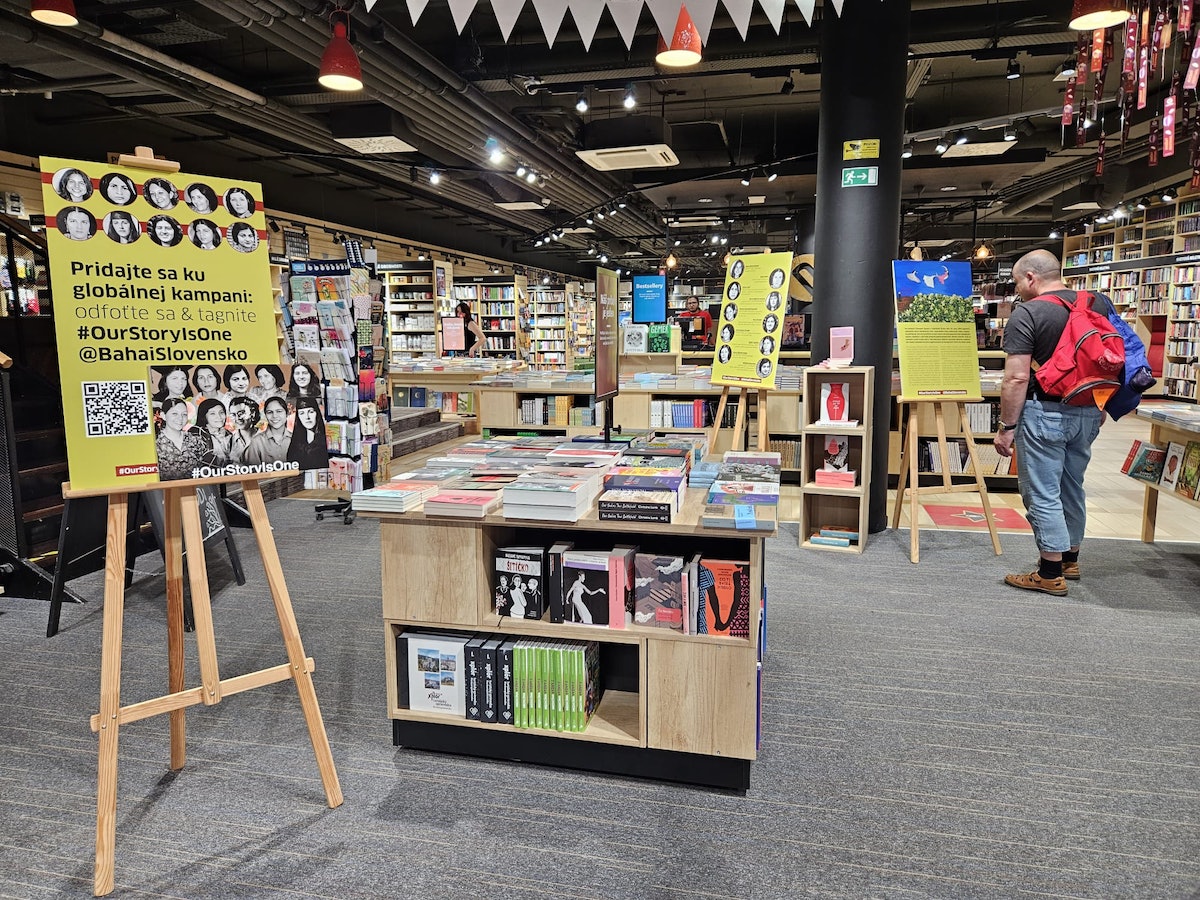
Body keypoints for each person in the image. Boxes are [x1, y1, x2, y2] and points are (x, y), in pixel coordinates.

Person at [994, 248, 1114, 597]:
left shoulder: (1028, 313)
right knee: (1072, 484)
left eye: (1017, 281)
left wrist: (1007, 426)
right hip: (1089, 408)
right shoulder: (1098, 303)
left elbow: (1016, 378)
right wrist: (1102, 403)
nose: (1017, 289)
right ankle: (1070, 559)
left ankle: (1049, 572)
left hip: (1044, 411)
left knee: (1042, 492)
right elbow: (1111, 357)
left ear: (1030, 278)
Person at [155, 397, 209, 480]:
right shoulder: (155, 443)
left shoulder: (195, 440)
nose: (180, 418)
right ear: (163, 415)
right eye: (174, 414)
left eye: (184, 414)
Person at [244, 396, 291, 466]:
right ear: (265, 415)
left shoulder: (295, 439)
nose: (274, 416)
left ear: (287, 413)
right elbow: (253, 473)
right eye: (270, 412)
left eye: (279, 411)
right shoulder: (257, 441)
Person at [287, 396, 328, 470]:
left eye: (311, 412)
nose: (307, 417)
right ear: (298, 417)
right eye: (302, 413)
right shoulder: (295, 442)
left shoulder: (326, 440)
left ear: (317, 413)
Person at [194, 397, 233, 465]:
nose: (219, 417)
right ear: (204, 416)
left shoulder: (228, 434)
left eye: (221, 412)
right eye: (212, 413)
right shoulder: (196, 433)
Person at [226, 395, 260, 463]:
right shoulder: (229, 442)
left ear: (252, 413)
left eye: (241, 413)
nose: (237, 418)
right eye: (233, 415)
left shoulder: (264, 438)